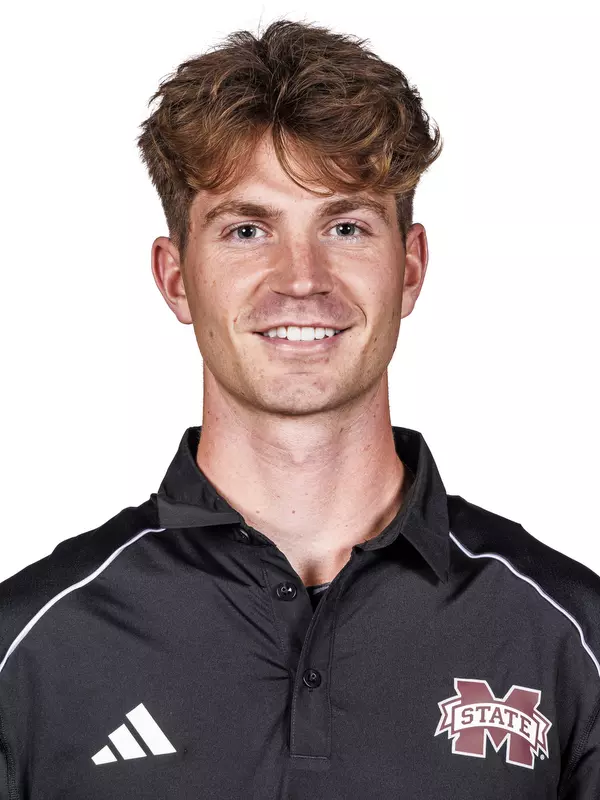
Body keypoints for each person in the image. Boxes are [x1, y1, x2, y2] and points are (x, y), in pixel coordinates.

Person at [1, 17, 599, 800]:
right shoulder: (33, 650)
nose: (302, 278)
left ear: (410, 268)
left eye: (345, 226)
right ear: (176, 277)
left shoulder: (567, 637)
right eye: (248, 229)